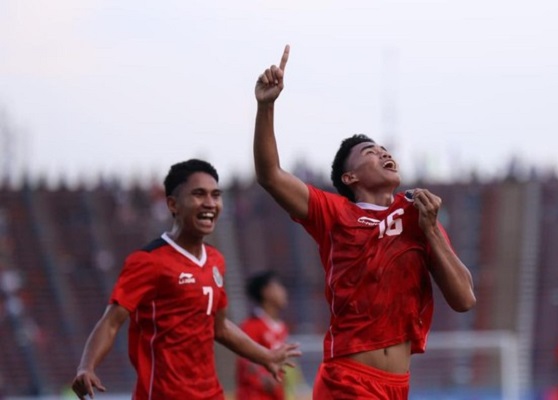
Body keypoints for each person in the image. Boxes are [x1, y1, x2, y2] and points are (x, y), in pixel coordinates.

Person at [253, 45, 476, 399]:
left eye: (385, 149)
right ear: (350, 178)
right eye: (370, 152)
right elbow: (270, 175)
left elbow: (464, 299)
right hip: (349, 379)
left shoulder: (420, 216)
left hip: (397, 387)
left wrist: (432, 230)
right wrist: (266, 106)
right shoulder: (334, 213)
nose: (384, 153)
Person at [71, 159, 301, 399]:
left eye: (215, 195)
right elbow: (111, 322)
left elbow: (219, 327)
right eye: (199, 194)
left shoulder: (215, 261)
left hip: (211, 393)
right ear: (173, 204)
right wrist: (86, 366)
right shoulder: (148, 261)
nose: (210, 203)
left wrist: (266, 356)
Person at [236, 270, 309, 400]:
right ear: (266, 292)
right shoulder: (251, 326)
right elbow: (246, 360)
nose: (284, 292)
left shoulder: (282, 327)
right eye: (279, 287)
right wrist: (264, 378)